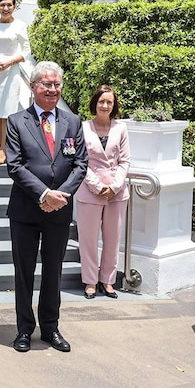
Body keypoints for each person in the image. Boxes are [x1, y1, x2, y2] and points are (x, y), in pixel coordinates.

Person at [6, 61, 87, 354]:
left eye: (56, 85)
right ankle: (24, 330)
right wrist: (43, 194)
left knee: (54, 270)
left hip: (60, 211)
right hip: (26, 211)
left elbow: (81, 164)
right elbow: (14, 166)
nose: (52, 90)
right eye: (46, 84)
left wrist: (60, 195)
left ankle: (50, 328)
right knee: (24, 271)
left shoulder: (72, 122)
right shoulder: (17, 121)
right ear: (33, 86)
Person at [75, 85, 130, 300]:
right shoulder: (83, 127)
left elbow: (125, 160)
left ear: (114, 104)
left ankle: (108, 281)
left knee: (113, 238)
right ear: (94, 103)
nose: (105, 105)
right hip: (89, 190)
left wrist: (114, 186)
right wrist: (97, 186)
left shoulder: (121, 128)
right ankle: (90, 281)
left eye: (109, 102)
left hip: (116, 192)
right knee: (88, 239)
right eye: (101, 101)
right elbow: (79, 160)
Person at [0, 0, 32, 165]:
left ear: (14, 7)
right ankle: (1, 148)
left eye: (9, 5)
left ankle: (7, 148)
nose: (5, 8)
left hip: (11, 73)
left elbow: (26, 50)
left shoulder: (20, 25)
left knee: (8, 112)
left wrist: (10, 61)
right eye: (2, 5)